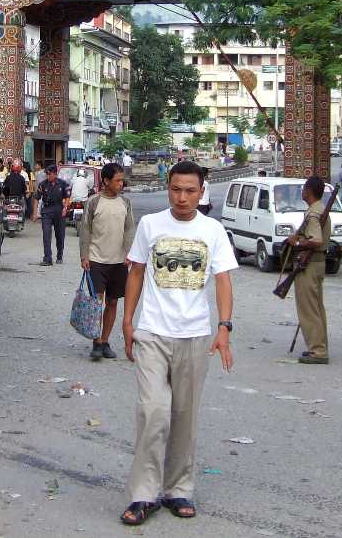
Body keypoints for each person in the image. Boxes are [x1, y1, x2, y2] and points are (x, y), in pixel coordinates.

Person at [120, 160, 236, 525]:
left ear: (203, 192)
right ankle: (144, 493)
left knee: (184, 416)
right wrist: (127, 320)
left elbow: (222, 281)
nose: (182, 197)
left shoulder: (213, 230)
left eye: (190, 191)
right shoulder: (150, 224)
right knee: (153, 411)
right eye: (176, 189)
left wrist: (224, 327)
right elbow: (136, 271)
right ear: (167, 187)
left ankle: (178, 489)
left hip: (195, 334)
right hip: (153, 331)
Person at [79, 162, 136, 361]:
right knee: (97, 302)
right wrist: (84, 255)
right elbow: (85, 229)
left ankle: (105, 340)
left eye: (122, 180)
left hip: (119, 262)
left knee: (112, 302)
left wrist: (130, 253)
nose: (121, 184)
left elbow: (129, 229)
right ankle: (96, 342)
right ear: (106, 181)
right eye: (118, 180)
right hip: (96, 261)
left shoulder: (126, 203)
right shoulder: (93, 202)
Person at [286, 175, 331, 364]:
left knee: (309, 309)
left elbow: (316, 239)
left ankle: (318, 351)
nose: (302, 191)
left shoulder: (314, 213)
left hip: (309, 263)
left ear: (309, 191)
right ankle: (318, 346)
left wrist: (296, 241)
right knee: (316, 307)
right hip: (317, 262)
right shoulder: (319, 209)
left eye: (304, 188)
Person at [35, 163, 70, 265]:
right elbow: (36, 198)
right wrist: (34, 213)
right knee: (46, 234)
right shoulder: (43, 184)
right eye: (47, 174)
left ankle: (59, 255)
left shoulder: (63, 184)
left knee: (60, 235)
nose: (48, 176)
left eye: (50, 174)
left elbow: (67, 197)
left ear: (55, 174)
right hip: (47, 210)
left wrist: (65, 208)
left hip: (59, 210)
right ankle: (47, 258)